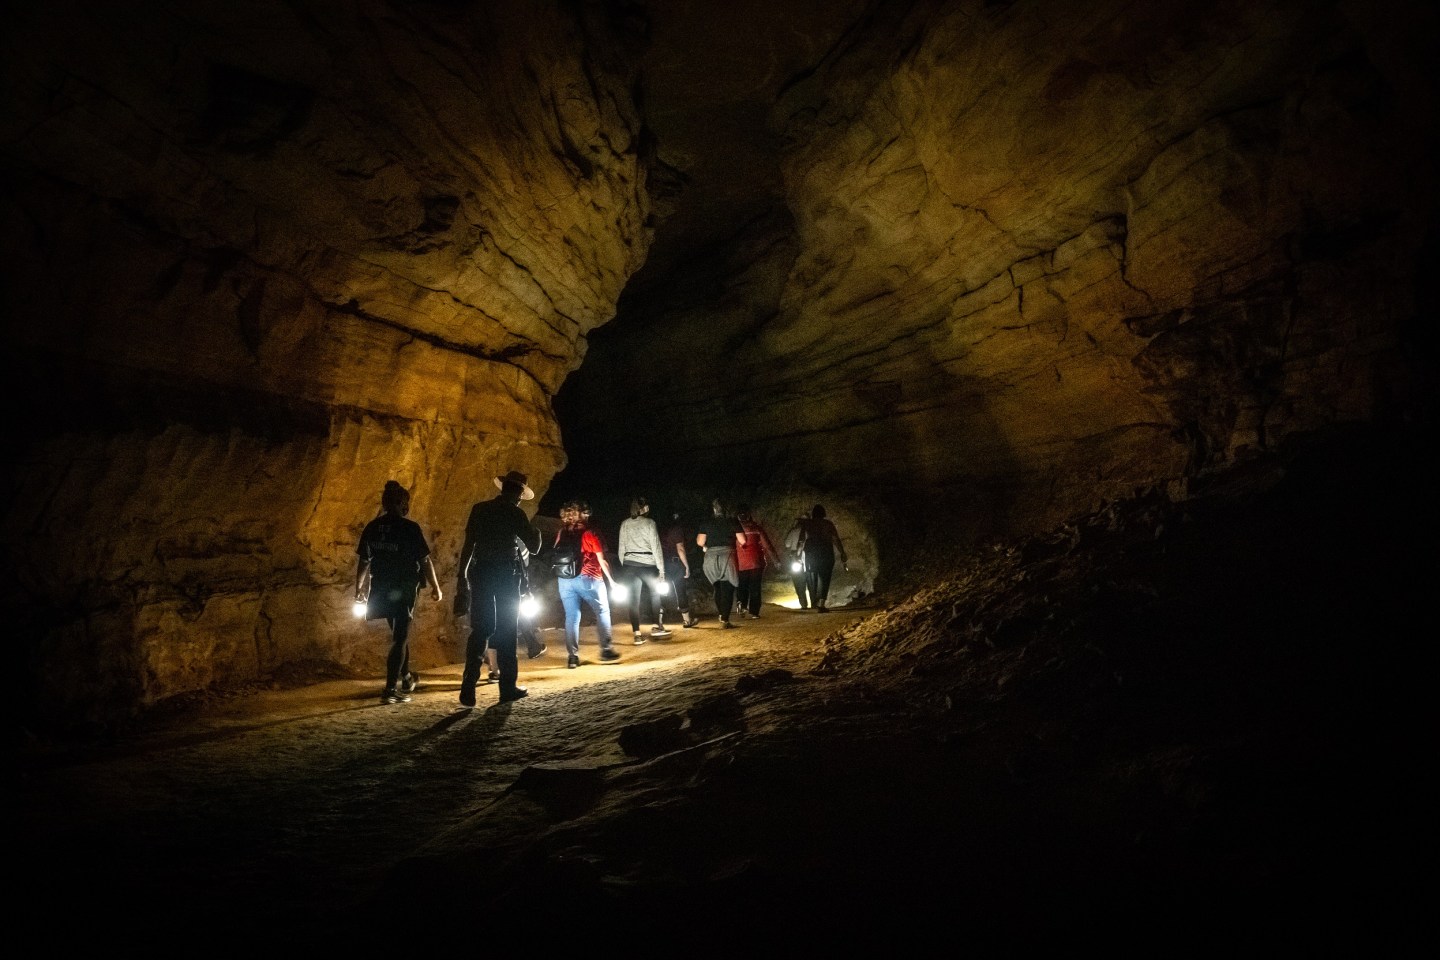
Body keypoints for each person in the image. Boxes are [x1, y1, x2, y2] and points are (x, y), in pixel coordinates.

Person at [455, 469, 542, 707]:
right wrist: (537, 532)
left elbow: (468, 546)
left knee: (480, 629)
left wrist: (462, 578)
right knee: (506, 630)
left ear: (503, 487)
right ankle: (507, 688)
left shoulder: (480, 509)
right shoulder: (515, 513)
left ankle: (468, 688)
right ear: (519, 493)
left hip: (481, 573)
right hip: (506, 575)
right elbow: (533, 547)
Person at [355, 480, 443, 704]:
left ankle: (406, 677)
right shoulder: (409, 528)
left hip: (380, 587)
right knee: (400, 637)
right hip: (403, 588)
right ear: (403, 503)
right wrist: (435, 586)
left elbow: (365, 561)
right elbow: (425, 560)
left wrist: (359, 589)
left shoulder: (373, 527)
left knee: (398, 635)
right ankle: (389, 690)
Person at [555, 499, 621, 667]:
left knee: (572, 616)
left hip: (564, 580)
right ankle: (606, 650)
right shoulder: (591, 532)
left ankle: (572, 657)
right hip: (589, 578)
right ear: (582, 514)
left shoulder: (562, 532)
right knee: (602, 610)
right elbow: (602, 560)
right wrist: (612, 581)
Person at [617, 496, 672, 643]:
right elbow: (656, 547)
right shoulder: (650, 523)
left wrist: (625, 565)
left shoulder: (625, 524)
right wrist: (661, 570)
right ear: (644, 508)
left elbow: (621, 548)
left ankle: (637, 634)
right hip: (647, 564)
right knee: (655, 594)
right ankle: (656, 626)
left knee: (633, 600)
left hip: (629, 565)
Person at [696, 497, 746, 628]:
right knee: (727, 588)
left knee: (717, 587)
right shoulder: (733, 521)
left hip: (711, 557)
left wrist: (707, 547)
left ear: (713, 509)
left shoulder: (706, 522)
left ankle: (721, 615)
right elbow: (743, 540)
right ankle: (725, 619)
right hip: (727, 556)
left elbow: (700, 542)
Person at [733, 504, 777, 619]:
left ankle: (741, 604)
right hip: (756, 562)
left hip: (740, 562)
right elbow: (767, 545)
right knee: (755, 586)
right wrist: (776, 560)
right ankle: (754, 612)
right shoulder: (756, 528)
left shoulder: (734, 530)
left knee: (742, 585)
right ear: (749, 516)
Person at [801, 503, 848, 612]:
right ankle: (821, 604)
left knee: (813, 576)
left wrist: (799, 554)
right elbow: (836, 539)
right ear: (823, 513)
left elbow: (802, 540)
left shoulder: (808, 524)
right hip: (826, 551)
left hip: (811, 552)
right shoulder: (828, 524)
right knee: (825, 577)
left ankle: (815, 601)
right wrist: (842, 552)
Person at [662, 508, 698, 628]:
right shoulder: (677, 530)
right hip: (675, 563)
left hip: (662, 563)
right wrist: (686, 565)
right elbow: (680, 548)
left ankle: (659, 622)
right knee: (680, 590)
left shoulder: (660, 529)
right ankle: (686, 620)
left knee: (659, 592)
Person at [782, 514, 811, 609]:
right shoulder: (811, 531)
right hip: (809, 557)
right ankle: (815, 603)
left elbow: (787, 544)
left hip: (796, 557)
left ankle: (804, 604)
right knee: (811, 581)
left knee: (798, 581)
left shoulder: (794, 531)